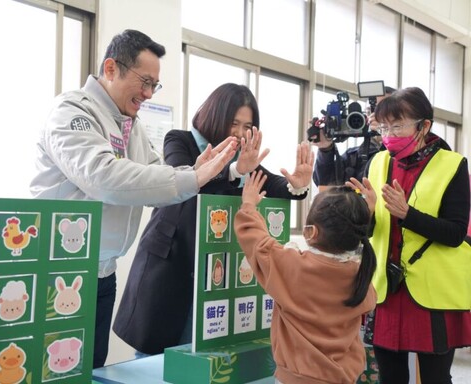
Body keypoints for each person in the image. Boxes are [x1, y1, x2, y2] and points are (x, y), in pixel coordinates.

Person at [29, 30, 238, 368]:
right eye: (145, 81)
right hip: (61, 272)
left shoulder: (129, 124)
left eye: (155, 85)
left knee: (92, 367)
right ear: (111, 68)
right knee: (53, 369)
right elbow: (104, 177)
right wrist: (191, 177)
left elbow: (156, 173)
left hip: (102, 274)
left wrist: (204, 172)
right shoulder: (71, 111)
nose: (148, 93)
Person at [112, 83, 314, 355]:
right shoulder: (179, 140)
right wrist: (234, 169)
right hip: (171, 264)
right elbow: (186, 180)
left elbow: (272, 182)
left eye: (247, 126)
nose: (240, 132)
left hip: (214, 272)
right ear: (216, 114)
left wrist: (298, 185)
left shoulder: (243, 156)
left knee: (200, 355)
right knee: (154, 358)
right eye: (234, 123)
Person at [346, 87, 471, 384]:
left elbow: (455, 233)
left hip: (433, 293)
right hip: (387, 289)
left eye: (398, 126)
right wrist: (367, 213)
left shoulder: (452, 165)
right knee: (389, 378)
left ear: (424, 125)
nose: (389, 134)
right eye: (384, 126)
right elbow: (368, 232)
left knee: (436, 379)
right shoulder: (377, 163)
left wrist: (408, 215)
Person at [234, 170, 377, 383]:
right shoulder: (360, 275)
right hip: (343, 377)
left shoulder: (292, 266)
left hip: (295, 378)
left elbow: (256, 240)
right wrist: (369, 212)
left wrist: (248, 205)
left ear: (311, 232)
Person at [312, 86, 396, 186]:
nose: (375, 115)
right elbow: (326, 183)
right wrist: (325, 149)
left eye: (384, 110)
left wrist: (386, 132)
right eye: (371, 110)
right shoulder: (354, 156)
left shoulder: (407, 152)